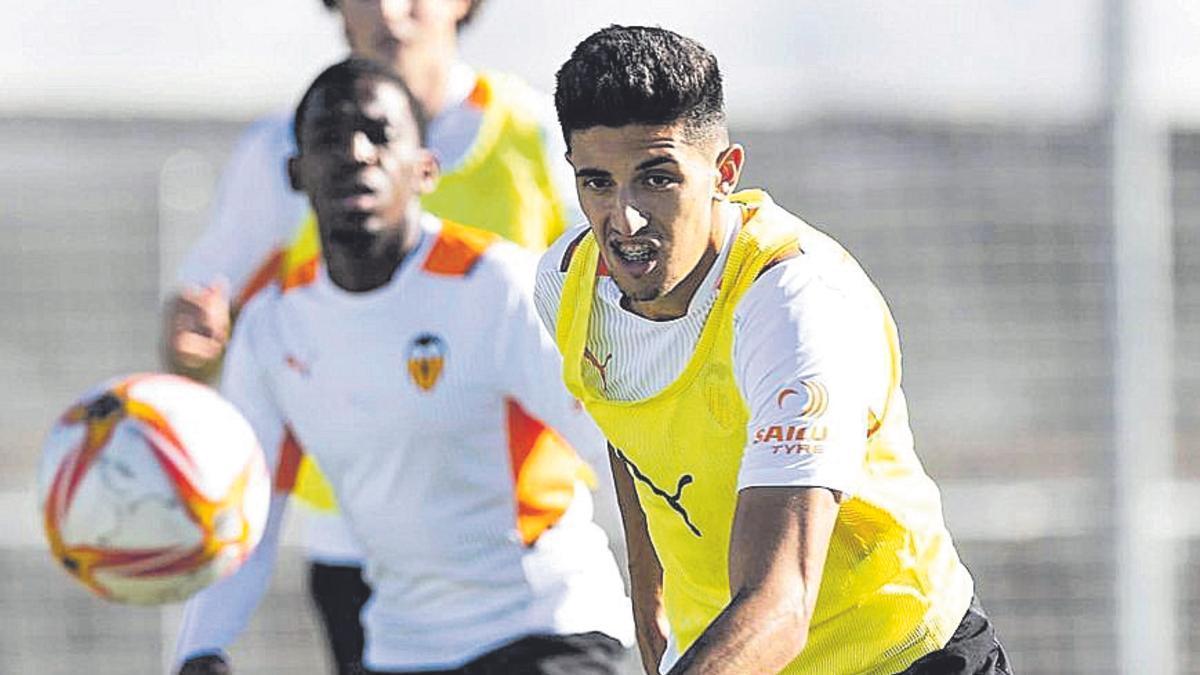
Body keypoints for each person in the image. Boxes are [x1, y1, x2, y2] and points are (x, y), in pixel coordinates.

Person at [534, 25, 1012, 675]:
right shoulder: (566, 285)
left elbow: (780, 602)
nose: (626, 220)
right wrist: (648, 602)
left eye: (657, 179)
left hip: (900, 656)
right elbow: (631, 430)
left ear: (724, 173)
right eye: (597, 182)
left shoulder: (794, 307)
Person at [174, 58, 632, 675]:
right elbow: (246, 510)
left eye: (380, 135)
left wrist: (680, 598)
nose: (357, 153)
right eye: (329, 138)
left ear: (425, 168)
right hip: (402, 642)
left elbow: (617, 448)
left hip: (547, 625)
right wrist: (199, 649)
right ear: (295, 171)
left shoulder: (495, 286)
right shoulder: (272, 329)